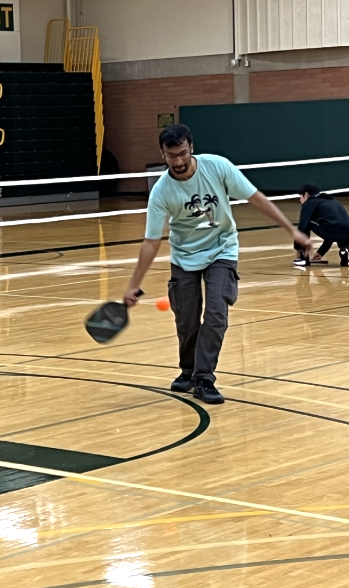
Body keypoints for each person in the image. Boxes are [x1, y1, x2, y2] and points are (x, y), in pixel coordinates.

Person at [123, 124, 310, 405]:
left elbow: (255, 198)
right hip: (184, 257)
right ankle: (188, 370)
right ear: (162, 154)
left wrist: (290, 229)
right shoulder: (161, 191)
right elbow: (152, 242)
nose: (178, 160)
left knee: (216, 315)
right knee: (186, 321)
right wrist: (133, 284)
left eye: (182, 153)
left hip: (222, 250)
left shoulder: (218, 167)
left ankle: (204, 378)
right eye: (171, 155)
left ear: (191, 148)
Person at [293, 183, 349, 268]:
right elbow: (334, 229)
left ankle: (303, 258)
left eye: (300, 196)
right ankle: (344, 249)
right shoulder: (333, 200)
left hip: (331, 230)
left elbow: (302, 227)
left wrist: (298, 248)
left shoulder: (309, 203)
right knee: (334, 227)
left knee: (306, 223)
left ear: (306, 194)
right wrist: (321, 252)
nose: (300, 200)